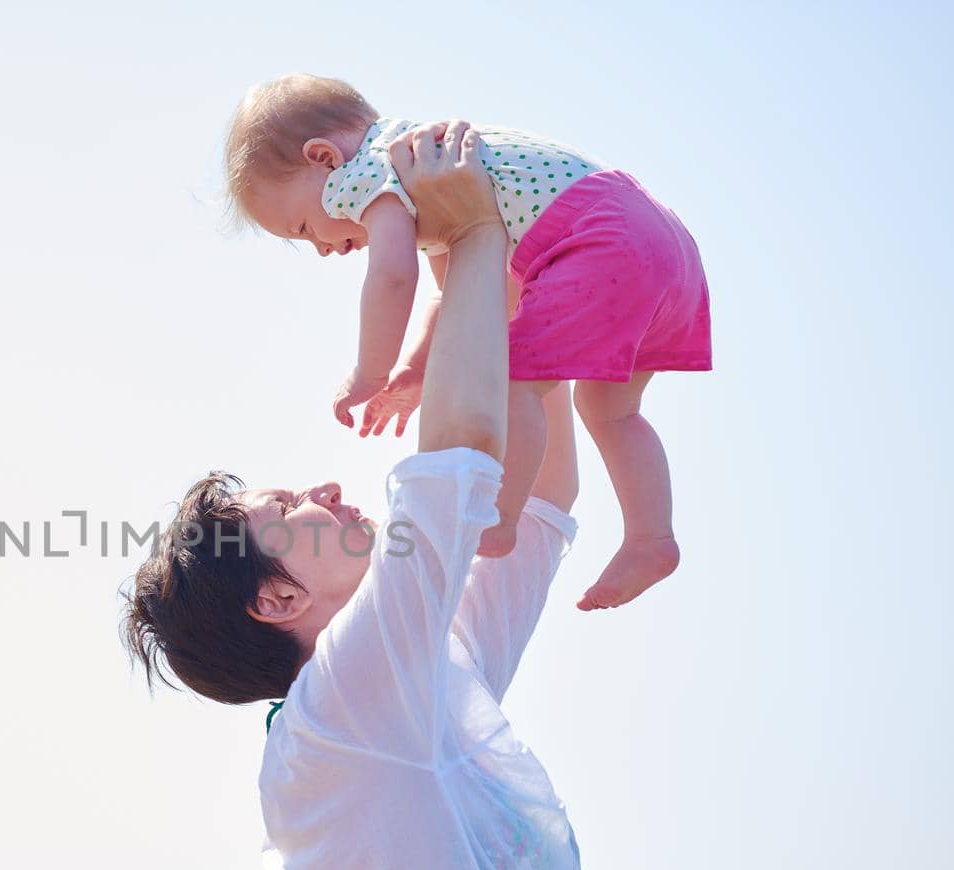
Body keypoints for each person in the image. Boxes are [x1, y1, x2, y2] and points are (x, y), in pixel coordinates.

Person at [120, 122, 651, 870]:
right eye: (286, 509)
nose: (322, 491)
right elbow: (459, 460)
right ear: (275, 601)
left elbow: (535, 509)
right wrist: (477, 235)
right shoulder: (341, 713)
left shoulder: (413, 684)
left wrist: (527, 280)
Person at [223, 73, 712, 610]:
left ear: (322, 159)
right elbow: (446, 291)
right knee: (611, 409)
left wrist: (369, 372)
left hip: (599, 242)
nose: (320, 248)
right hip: (659, 239)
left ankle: (500, 516)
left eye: (301, 227)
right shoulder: (423, 166)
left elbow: (392, 278)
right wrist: (413, 369)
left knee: (509, 382)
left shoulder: (365, 174)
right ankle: (651, 539)